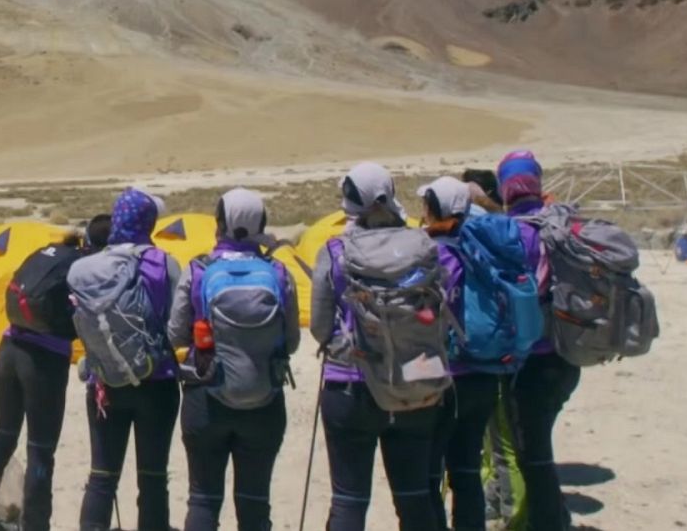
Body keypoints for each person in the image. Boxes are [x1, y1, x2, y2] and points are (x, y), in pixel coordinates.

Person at [311, 162, 443, 531]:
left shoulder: (336, 250)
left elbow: (320, 327)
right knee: (415, 497)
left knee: (349, 500)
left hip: (353, 382)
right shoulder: (422, 245)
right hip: (418, 378)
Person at [167, 188, 300, 531]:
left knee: (204, 499)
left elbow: (176, 335)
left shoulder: (199, 270)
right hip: (264, 398)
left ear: (220, 224)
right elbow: (293, 341)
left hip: (205, 397)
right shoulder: (279, 273)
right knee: (255, 501)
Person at [0, 215, 109, 531]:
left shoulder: (49, 252)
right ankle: (35, 524)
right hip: (43, 361)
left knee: (3, 434)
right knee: (41, 449)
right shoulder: (86, 270)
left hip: (8, 349)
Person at [76, 188, 181, 531]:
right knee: (152, 478)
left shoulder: (87, 267)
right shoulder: (163, 262)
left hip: (105, 382)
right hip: (157, 381)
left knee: (102, 477)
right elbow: (176, 328)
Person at [498, 151, 580, 531]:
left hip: (530, 360)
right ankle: (554, 517)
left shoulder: (509, 234)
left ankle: (549, 523)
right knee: (539, 445)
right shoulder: (560, 225)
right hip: (567, 353)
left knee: (534, 455)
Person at [418, 176, 503, 531]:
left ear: (435, 210)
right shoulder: (485, 250)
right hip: (484, 369)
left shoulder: (432, 254)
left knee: (429, 473)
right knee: (467, 469)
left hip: (442, 373)